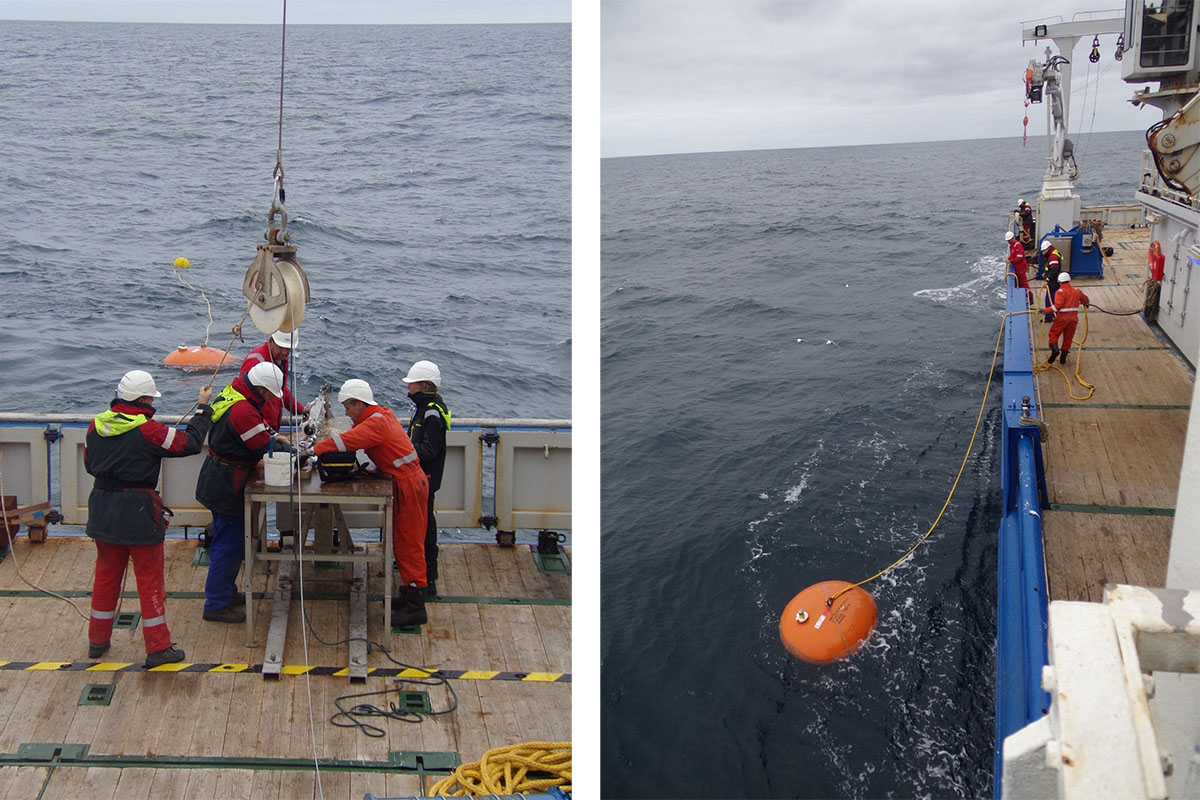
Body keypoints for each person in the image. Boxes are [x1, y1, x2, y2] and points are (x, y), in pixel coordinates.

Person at [85, 370, 213, 667]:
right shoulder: (148, 430)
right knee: (149, 578)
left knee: (105, 575)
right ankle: (157, 647)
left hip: (102, 508)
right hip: (138, 510)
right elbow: (190, 443)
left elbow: (90, 465)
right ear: (144, 399)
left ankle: (97, 640)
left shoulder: (96, 425)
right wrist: (203, 407)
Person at [311, 379, 430, 626]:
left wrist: (312, 452)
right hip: (405, 482)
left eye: (348, 407)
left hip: (408, 485)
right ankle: (409, 594)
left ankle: (416, 606)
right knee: (402, 541)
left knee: (409, 545)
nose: (346, 412)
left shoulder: (375, 424)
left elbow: (347, 441)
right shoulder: (381, 415)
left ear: (359, 403)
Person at [195, 361, 289, 623]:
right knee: (230, 543)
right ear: (260, 389)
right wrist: (296, 454)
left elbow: (259, 430)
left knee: (229, 539)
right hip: (228, 483)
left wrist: (275, 435)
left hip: (218, 476)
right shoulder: (243, 410)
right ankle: (216, 604)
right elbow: (261, 445)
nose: (271, 398)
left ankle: (225, 591)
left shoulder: (235, 392)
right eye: (270, 393)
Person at [403, 360, 451, 595]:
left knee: (424, 527)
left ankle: (428, 577)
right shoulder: (426, 408)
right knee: (422, 524)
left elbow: (430, 449)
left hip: (426, 477)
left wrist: (404, 453)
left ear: (423, 385)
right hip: (423, 476)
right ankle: (422, 571)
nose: (408, 388)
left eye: (411, 384)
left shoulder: (431, 412)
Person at [240, 329, 307, 424]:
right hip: (258, 426)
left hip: (272, 424)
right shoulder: (255, 361)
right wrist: (265, 429)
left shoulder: (282, 360)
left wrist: (300, 409)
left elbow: (282, 390)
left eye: (288, 348)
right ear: (271, 341)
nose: (284, 352)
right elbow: (244, 400)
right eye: (280, 347)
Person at [1046, 272, 1090, 365]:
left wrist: (1046, 310)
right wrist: (1086, 304)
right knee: (1068, 338)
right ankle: (1063, 358)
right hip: (1073, 319)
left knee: (1053, 334)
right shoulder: (1077, 291)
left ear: (1059, 282)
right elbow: (1085, 299)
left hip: (1062, 318)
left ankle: (1055, 350)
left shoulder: (1060, 292)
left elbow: (1057, 306)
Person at [1039, 239, 1064, 322]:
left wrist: (1047, 279)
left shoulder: (1053, 257)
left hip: (1053, 282)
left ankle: (1049, 316)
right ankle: (1054, 314)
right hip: (1055, 281)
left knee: (1050, 299)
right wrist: (1045, 273)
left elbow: (1054, 269)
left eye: (1044, 251)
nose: (1043, 252)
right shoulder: (1052, 254)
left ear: (1048, 248)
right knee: (1053, 299)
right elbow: (1050, 267)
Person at [1005, 231, 1032, 304]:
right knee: (1019, 283)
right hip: (1017, 268)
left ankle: (1030, 297)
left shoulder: (1018, 245)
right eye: (1007, 240)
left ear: (1013, 238)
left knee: (1024, 284)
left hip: (1021, 268)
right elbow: (1013, 255)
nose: (1008, 241)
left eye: (1009, 240)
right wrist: (1009, 258)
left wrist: (1010, 260)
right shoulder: (1012, 246)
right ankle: (1024, 297)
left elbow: (1019, 257)